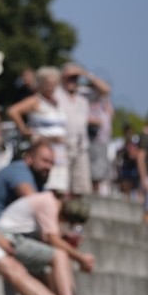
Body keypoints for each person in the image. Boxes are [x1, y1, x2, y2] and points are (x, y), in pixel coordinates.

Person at [0, 138, 89, 295]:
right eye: (44, 160)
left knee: (45, 266)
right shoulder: (21, 173)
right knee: (56, 256)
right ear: (30, 157)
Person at [0, 191, 95, 295]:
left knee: (52, 266)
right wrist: (81, 258)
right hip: (7, 238)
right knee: (60, 255)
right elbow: (53, 240)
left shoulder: (50, 202)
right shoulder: (49, 205)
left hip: (18, 238)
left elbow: (51, 239)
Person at [6, 66, 69, 193]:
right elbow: (12, 111)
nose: (51, 88)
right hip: (43, 148)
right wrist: (24, 130)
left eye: (54, 84)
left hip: (59, 152)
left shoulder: (57, 102)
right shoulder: (35, 100)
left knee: (60, 189)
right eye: (48, 84)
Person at [56, 63, 111, 196]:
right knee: (61, 185)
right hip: (61, 144)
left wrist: (85, 74)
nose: (72, 81)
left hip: (81, 146)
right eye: (69, 78)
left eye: (75, 78)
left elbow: (106, 90)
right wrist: (65, 73)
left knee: (81, 187)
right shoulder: (57, 93)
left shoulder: (83, 95)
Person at [0, 141, 55, 224]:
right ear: (30, 157)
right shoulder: (19, 170)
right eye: (45, 161)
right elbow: (35, 201)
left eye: (51, 163)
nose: (48, 167)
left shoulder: (38, 176)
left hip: (7, 223)